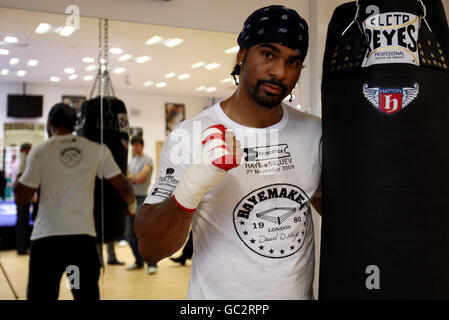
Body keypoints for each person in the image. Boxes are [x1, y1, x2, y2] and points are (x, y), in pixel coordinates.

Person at [135, 5, 322, 300]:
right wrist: (192, 186)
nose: (279, 72)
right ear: (242, 55)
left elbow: (346, 215)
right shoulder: (190, 135)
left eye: (293, 62)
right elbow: (150, 248)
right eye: (268, 54)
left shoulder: (314, 132)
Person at [13, 103, 135, 300]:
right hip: (79, 246)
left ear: (50, 123)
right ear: (75, 124)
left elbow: (21, 197)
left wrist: (22, 164)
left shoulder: (40, 151)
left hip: (47, 245)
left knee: (43, 296)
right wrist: (130, 205)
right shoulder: (97, 149)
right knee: (82, 294)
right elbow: (124, 190)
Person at [126, 135, 156, 274]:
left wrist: (131, 177)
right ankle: (138, 261)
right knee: (129, 234)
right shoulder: (131, 162)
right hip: (131, 199)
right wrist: (133, 178)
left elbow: (141, 178)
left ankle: (152, 263)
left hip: (142, 199)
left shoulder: (148, 160)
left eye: (138, 144)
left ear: (142, 145)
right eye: (133, 144)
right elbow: (129, 179)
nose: (135, 147)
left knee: (143, 233)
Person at [14, 143, 32, 255]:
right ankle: (22, 248)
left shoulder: (19, 161)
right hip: (22, 196)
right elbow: (20, 179)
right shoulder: (22, 162)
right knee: (22, 222)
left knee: (22, 221)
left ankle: (22, 247)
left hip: (21, 196)